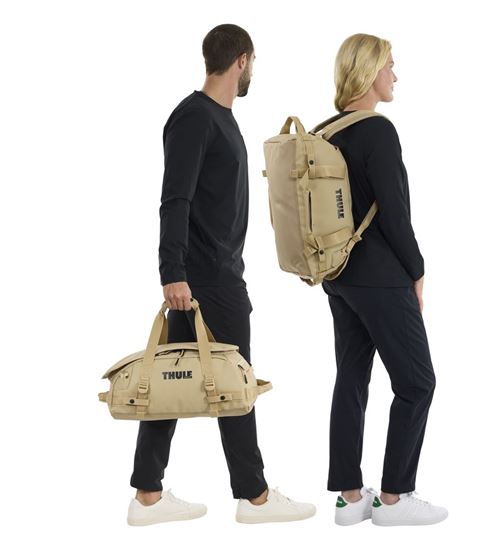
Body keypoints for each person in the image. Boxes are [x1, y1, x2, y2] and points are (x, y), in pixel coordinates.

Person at [126, 24, 316, 526]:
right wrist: (173, 272)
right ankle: (254, 497)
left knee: (172, 378)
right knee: (237, 381)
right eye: (253, 63)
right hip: (205, 278)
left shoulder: (220, 118)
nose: (252, 70)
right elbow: (175, 199)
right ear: (242, 60)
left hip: (215, 273)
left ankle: (147, 495)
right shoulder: (195, 117)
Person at [319, 33, 448, 527]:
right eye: (390, 65)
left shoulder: (325, 131)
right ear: (370, 71)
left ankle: (350, 498)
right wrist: (417, 269)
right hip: (381, 277)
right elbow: (394, 215)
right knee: (417, 382)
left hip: (339, 276)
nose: (395, 74)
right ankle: (393, 497)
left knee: (351, 379)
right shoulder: (378, 130)